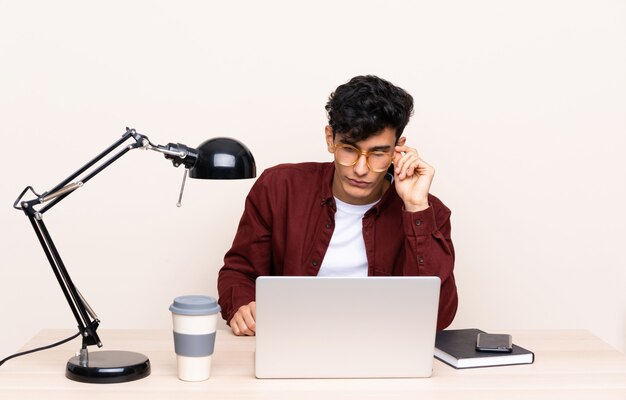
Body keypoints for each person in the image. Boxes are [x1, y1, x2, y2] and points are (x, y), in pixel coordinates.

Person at [217, 75, 458, 336]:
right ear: (330, 139)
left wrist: (415, 207)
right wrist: (242, 306)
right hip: (292, 342)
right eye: (350, 150)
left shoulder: (427, 212)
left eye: (378, 153)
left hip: (381, 348)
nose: (361, 169)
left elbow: (438, 317)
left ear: (398, 150)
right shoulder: (278, 188)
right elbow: (239, 272)